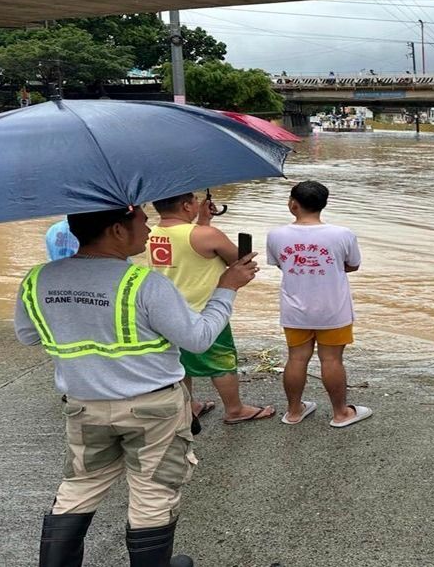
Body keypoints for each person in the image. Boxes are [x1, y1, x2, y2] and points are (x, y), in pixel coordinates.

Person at [14, 205, 258, 567]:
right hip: (153, 410)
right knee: (153, 494)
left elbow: (29, 335)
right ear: (116, 229)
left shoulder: (37, 279)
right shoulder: (144, 283)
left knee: (79, 489)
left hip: (84, 406)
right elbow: (199, 339)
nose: (148, 229)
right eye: (141, 222)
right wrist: (226, 288)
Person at [148, 192, 274, 425]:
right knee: (221, 360)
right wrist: (205, 226)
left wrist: (203, 220)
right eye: (194, 201)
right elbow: (239, 261)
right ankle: (235, 409)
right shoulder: (207, 235)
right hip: (204, 310)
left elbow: (187, 247)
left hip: (166, 312)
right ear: (186, 206)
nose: (198, 203)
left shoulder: (150, 234)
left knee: (180, 361)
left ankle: (189, 406)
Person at [266, 180, 371, 427]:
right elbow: (352, 265)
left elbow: (282, 264)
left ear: (293, 205)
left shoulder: (276, 235)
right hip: (333, 309)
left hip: (295, 309)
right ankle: (340, 413)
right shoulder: (342, 234)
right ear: (324, 205)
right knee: (332, 360)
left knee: (296, 358)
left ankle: (293, 412)